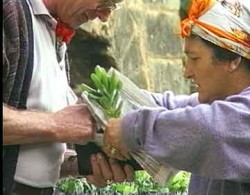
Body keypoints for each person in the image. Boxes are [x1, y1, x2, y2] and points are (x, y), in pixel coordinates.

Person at [103, 0, 250, 194]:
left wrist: (132, 129)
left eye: (195, 59)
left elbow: (210, 130)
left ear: (233, 59)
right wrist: (103, 104)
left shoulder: (236, 116)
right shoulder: (221, 101)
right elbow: (169, 107)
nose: (187, 72)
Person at [3, 0, 134, 194]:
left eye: (113, 5)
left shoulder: (55, 30)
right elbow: (54, 126)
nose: (105, 15)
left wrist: (83, 164)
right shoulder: (9, 11)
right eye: (105, 1)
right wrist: (57, 125)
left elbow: (29, 157)